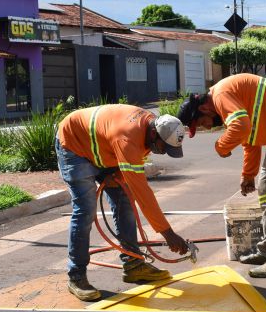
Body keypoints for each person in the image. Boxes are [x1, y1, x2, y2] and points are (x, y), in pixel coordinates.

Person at [177, 73, 266, 278]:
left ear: (204, 108)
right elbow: (250, 137)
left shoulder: (221, 95)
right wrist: (248, 175)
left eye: (202, 123)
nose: (207, 126)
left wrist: (221, 146)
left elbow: (241, 126)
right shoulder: (225, 97)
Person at [56, 104, 189, 301]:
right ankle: (76, 276)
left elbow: (125, 157)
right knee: (86, 210)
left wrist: (115, 172)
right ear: (154, 134)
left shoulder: (150, 127)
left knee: (124, 201)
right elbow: (143, 193)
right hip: (75, 144)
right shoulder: (128, 137)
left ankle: (133, 265)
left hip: (104, 147)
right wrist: (167, 233)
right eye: (163, 147)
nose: (162, 152)